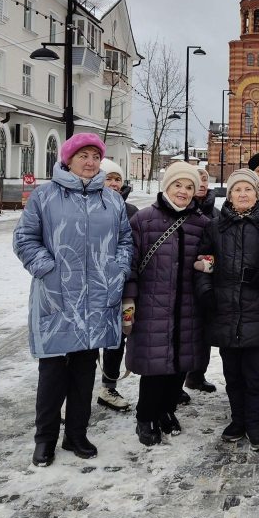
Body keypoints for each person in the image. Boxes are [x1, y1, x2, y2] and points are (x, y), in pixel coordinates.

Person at [13, 133, 133, 467]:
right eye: (83, 155)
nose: (91, 161)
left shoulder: (112, 200)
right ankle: (45, 438)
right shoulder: (45, 196)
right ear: (68, 159)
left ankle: (76, 434)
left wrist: (119, 270)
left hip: (97, 298)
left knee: (84, 372)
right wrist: (48, 270)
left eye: (96, 155)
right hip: (57, 298)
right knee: (52, 373)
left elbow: (125, 240)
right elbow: (25, 239)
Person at [192, 169, 259, 451]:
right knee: (233, 374)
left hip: (258, 312)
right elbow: (204, 261)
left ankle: (256, 425)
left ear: (257, 194)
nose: (242, 194)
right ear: (229, 196)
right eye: (237, 190)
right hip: (225, 311)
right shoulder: (215, 227)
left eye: (248, 190)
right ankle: (238, 420)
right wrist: (206, 290)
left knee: (258, 375)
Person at [123, 162, 212, 446]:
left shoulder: (202, 223)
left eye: (189, 187)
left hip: (189, 306)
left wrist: (208, 266)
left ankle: (166, 410)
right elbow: (131, 263)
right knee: (155, 365)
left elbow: (210, 259)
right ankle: (145, 415)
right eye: (178, 185)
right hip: (152, 305)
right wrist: (129, 300)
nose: (184, 192)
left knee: (182, 362)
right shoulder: (144, 220)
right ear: (167, 187)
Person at [92, 158, 137, 414]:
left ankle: (108, 387)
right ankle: (72, 394)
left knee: (116, 337)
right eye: (108, 178)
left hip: (121, 286)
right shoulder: (87, 208)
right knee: (84, 344)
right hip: (91, 287)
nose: (113, 183)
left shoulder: (132, 212)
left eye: (117, 179)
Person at [184, 166, 219, 396]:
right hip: (182, 280)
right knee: (184, 333)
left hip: (207, 279)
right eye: (198, 179)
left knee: (204, 331)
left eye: (205, 178)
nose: (202, 182)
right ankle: (177, 382)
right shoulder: (181, 209)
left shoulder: (216, 213)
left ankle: (197, 375)